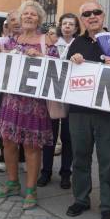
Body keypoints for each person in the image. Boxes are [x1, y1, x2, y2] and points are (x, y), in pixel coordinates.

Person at [0, 0, 58, 210]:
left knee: (31, 147)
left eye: (33, 14)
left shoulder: (47, 41)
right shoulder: (12, 40)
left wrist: (42, 57)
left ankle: (30, 190)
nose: (29, 16)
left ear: (39, 19)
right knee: (8, 143)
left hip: (34, 104)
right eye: (25, 14)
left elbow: (57, 67)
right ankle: (12, 183)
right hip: (11, 101)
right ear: (20, 18)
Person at [65, 1, 110, 219]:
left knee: (108, 160)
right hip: (79, 110)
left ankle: (108, 206)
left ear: (103, 15)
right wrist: (73, 60)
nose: (92, 16)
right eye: (86, 14)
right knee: (80, 157)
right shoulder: (76, 42)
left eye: (96, 12)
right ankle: (81, 199)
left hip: (107, 111)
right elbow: (65, 72)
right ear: (82, 20)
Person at [37, 12, 80, 189]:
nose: (67, 26)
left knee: (68, 137)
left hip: (73, 96)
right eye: (65, 24)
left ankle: (65, 173)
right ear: (60, 27)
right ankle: (46, 171)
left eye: (71, 24)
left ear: (76, 28)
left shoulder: (79, 46)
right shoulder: (53, 47)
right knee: (50, 135)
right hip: (54, 95)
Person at [0, 10, 26, 174]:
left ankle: (22, 159)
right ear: (8, 24)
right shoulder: (2, 42)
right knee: (4, 130)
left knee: (24, 128)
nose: (16, 22)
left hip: (26, 95)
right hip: (6, 92)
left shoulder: (35, 40)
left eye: (19, 18)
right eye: (12, 19)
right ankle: (4, 159)